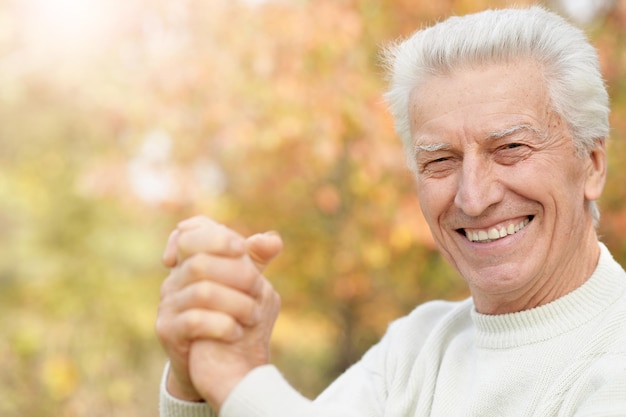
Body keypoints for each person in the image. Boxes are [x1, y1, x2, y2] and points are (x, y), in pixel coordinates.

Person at [156, 6, 626, 417]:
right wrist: (201, 362)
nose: (473, 197)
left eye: (511, 148)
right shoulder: (415, 345)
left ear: (591, 165)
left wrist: (240, 381)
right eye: (439, 160)